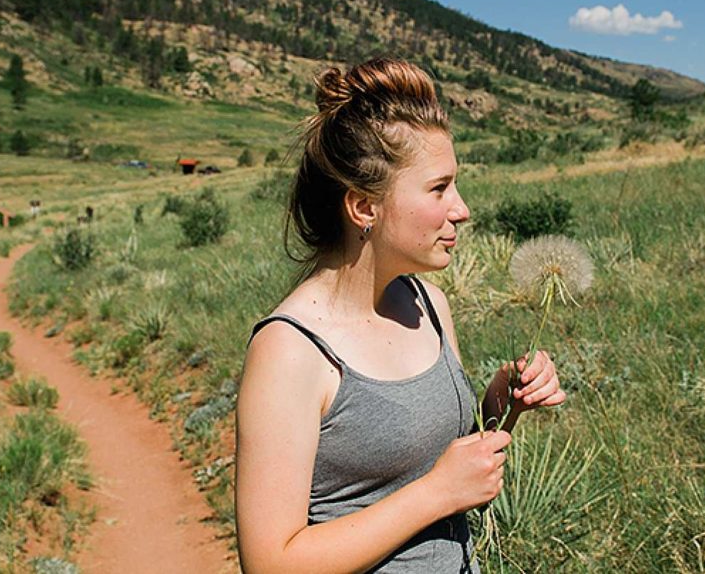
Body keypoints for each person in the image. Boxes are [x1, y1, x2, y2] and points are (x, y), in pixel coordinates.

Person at [235, 58, 566, 573]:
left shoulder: (427, 304)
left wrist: (505, 398)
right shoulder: (291, 350)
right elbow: (271, 563)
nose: (462, 209)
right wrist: (437, 493)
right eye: (438, 189)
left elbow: (448, 455)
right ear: (364, 207)